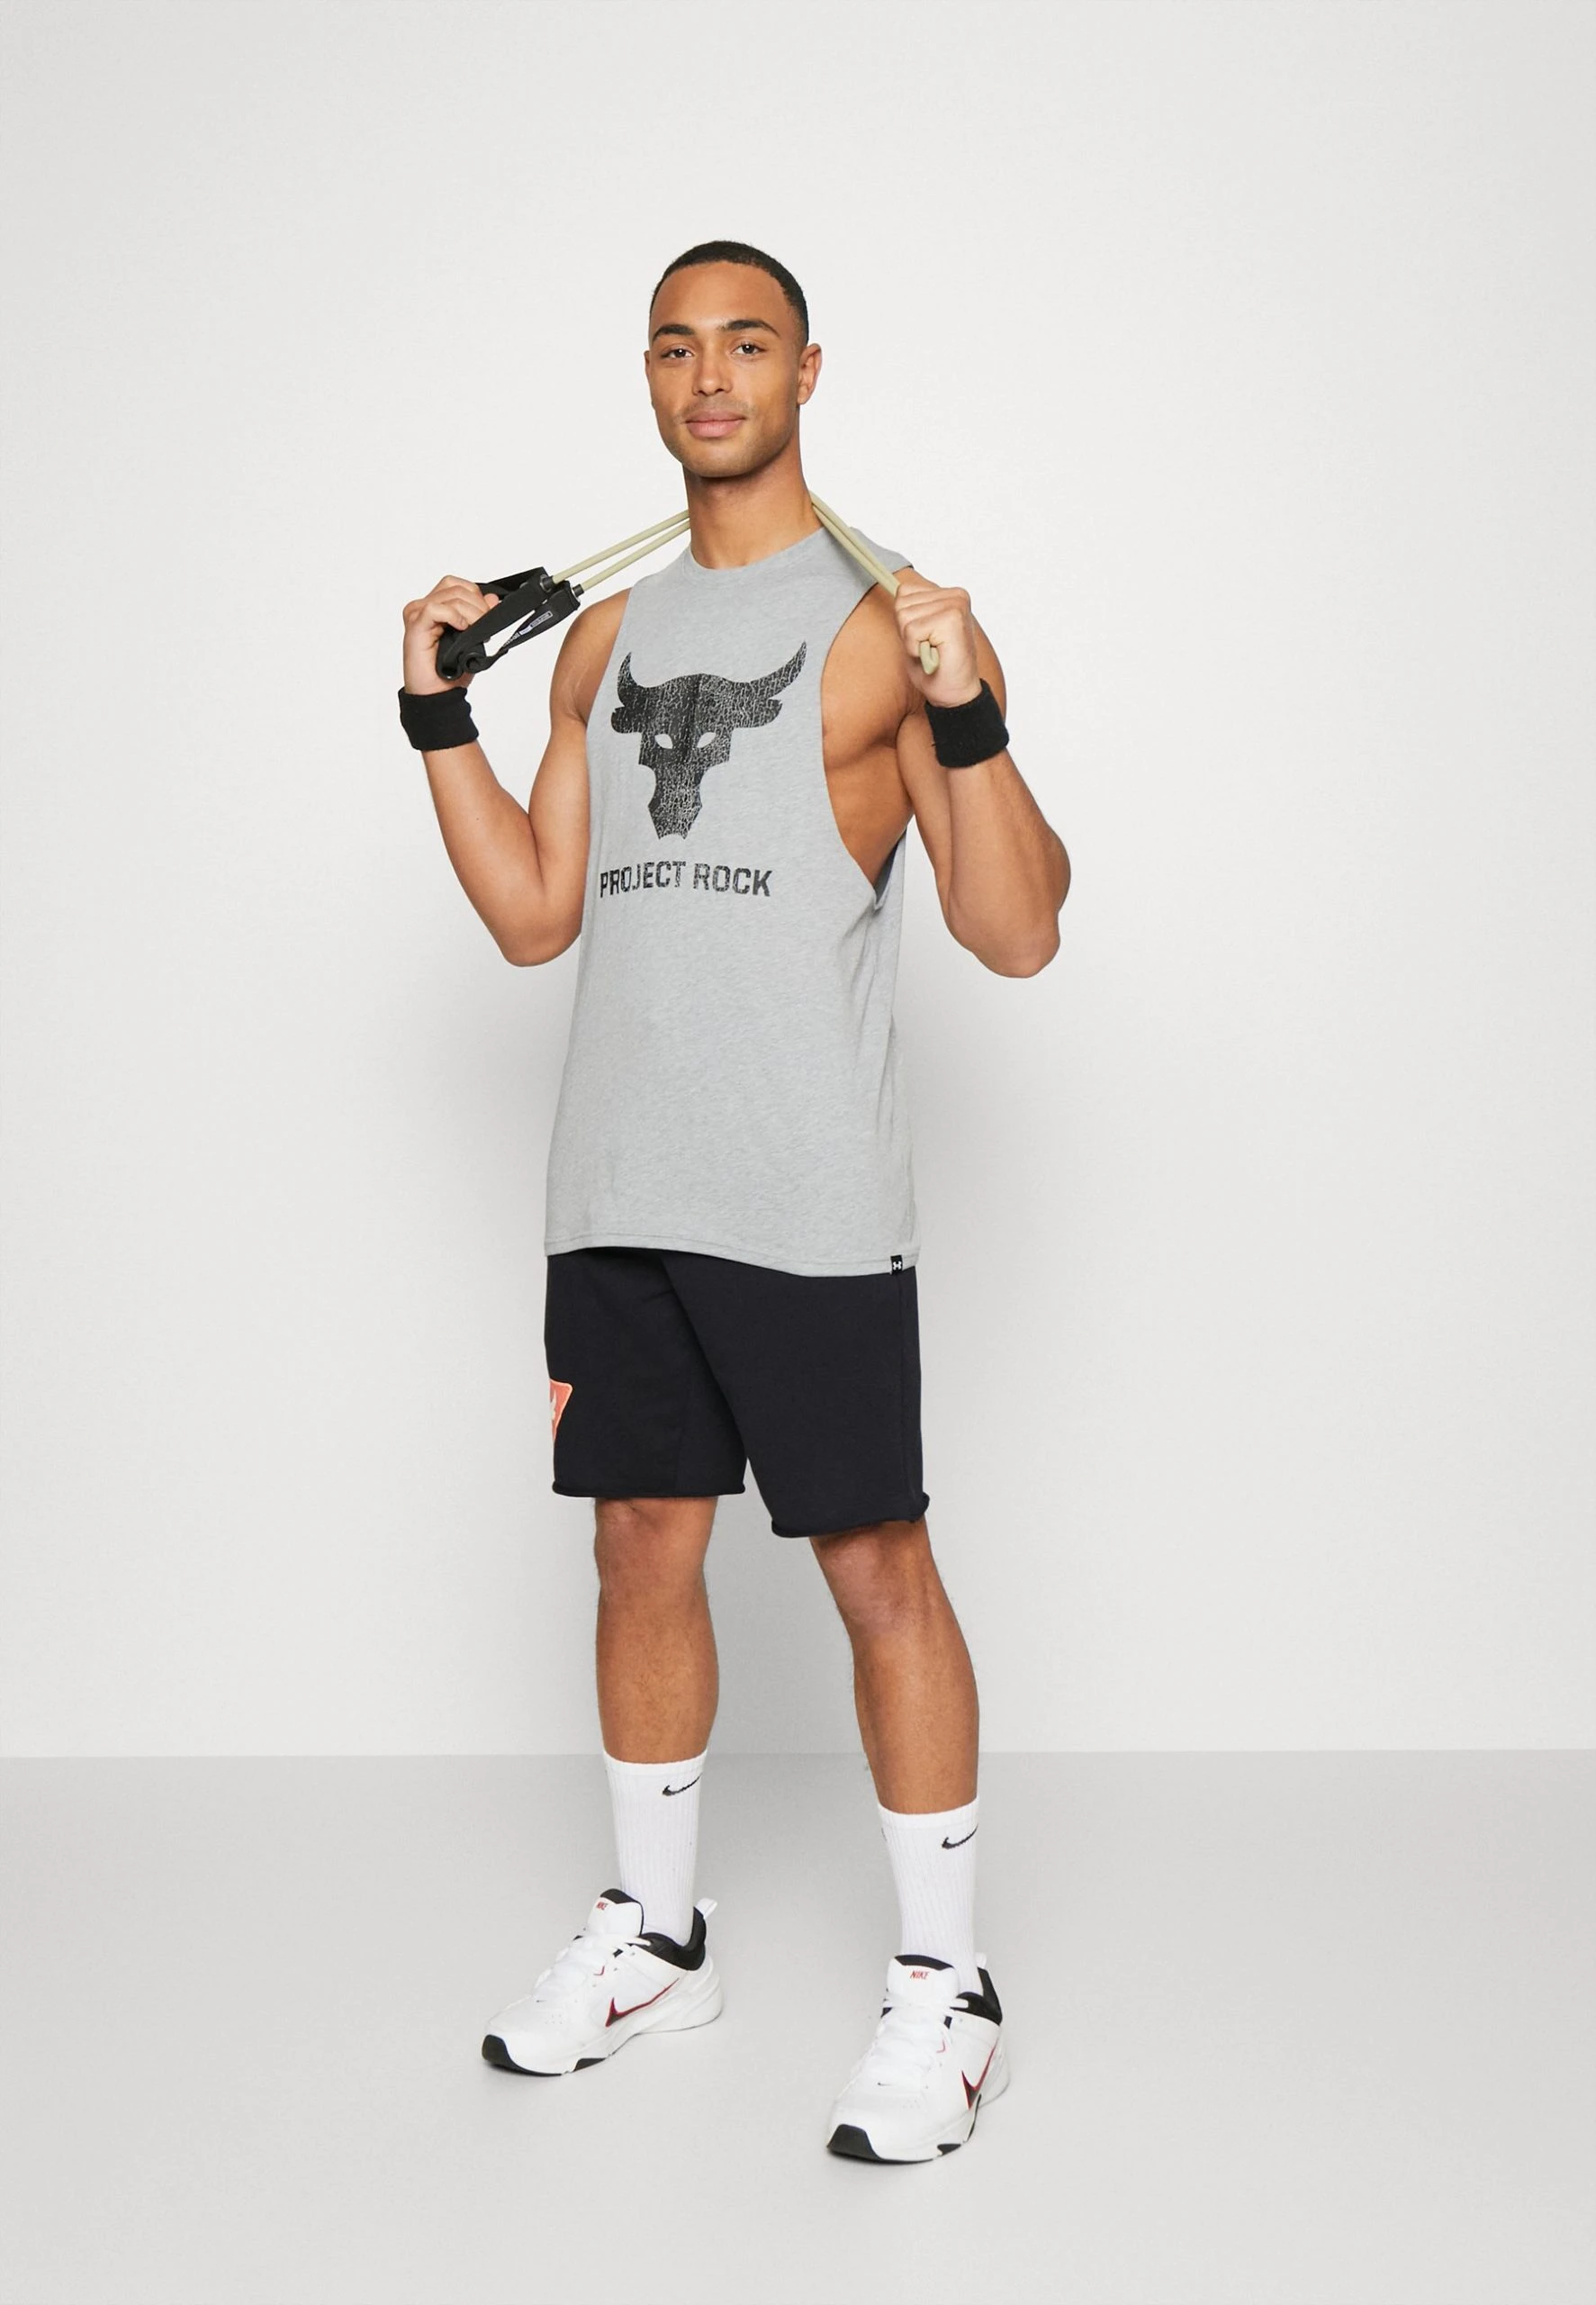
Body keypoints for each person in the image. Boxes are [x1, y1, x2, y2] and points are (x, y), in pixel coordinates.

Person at [397, 239, 1069, 2163]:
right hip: (617, 1181)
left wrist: (971, 710)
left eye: (747, 343)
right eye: (677, 346)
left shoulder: (887, 624)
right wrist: (435, 717)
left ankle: (948, 1989)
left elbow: (1017, 931)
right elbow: (536, 916)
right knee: (639, 1547)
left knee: (875, 1567)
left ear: (806, 373)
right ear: (650, 377)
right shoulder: (599, 638)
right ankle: (656, 1935)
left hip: (807, 1190)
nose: (711, 376)